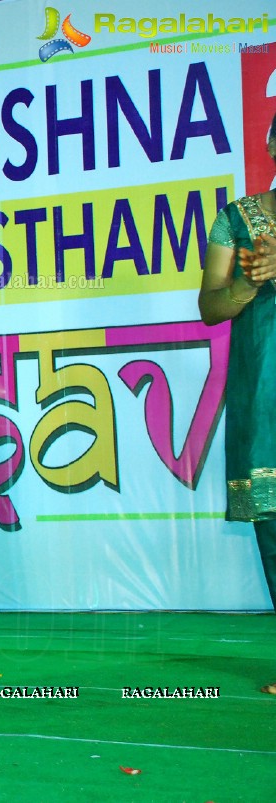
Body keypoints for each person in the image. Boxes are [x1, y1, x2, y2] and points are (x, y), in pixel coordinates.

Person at [198, 112, 276, 695]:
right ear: (272, 142)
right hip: (264, 391)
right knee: (273, 522)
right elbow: (210, 306)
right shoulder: (238, 220)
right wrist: (249, 284)